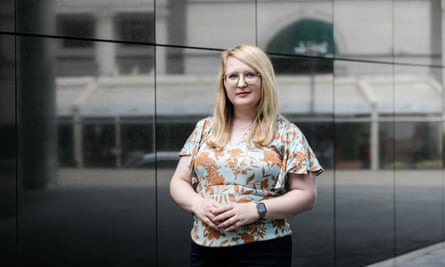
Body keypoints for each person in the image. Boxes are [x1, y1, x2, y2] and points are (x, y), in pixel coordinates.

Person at [169, 44, 323, 267]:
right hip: (205, 248)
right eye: (233, 76)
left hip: (263, 251)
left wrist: (257, 210)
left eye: (250, 74)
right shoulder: (203, 129)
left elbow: (306, 195)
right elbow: (179, 181)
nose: (241, 83)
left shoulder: (287, 133)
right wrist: (196, 203)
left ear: (264, 80)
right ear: (224, 83)